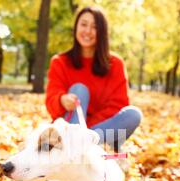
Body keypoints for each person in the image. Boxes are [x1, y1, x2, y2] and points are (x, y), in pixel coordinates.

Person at [45, 6, 142, 153]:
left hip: (100, 130)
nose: (88, 31)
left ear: (101, 32)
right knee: (79, 90)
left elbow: (119, 105)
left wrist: (88, 131)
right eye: (83, 24)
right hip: (69, 128)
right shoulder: (60, 62)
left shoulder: (115, 64)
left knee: (133, 114)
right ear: (76, 27)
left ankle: (80, 146)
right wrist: (62, 100)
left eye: (94, 27)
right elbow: (52, 103)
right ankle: (82, 147)